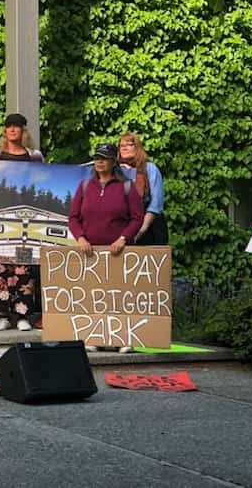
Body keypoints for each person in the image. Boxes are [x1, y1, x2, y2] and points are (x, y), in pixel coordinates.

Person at [68, 143, 144, 353]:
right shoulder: (84, 186)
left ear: (113, 162)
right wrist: (81, 238)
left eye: (104, 158)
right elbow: (73, 218)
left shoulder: (127, 187)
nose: (100, 161)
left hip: (118, 252)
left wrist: (123, 238)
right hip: (90, 253)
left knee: (120, 296)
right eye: (97, 157)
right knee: (93, 296)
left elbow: (137, 218)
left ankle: (123, 339)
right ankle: (94, 337)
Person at [0, 113, 44, 332]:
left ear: (23, 131)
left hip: (26, 222)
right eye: (9, 126)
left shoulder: (35, 157)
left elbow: (42, 183)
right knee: (1, 268)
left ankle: (23, 316)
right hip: (1, 219)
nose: (12, 130)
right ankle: (3, 315)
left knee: (24, 269)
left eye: (17, 126)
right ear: (5, 131)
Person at [118, 132, 168, 245]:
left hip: (149, 227)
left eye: (129, 144)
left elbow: (156, 203)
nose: (124, 148)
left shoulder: (150, 168)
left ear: (137, 147)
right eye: (121, 145)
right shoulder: (115, 171)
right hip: (122, 229)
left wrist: (141, 229)